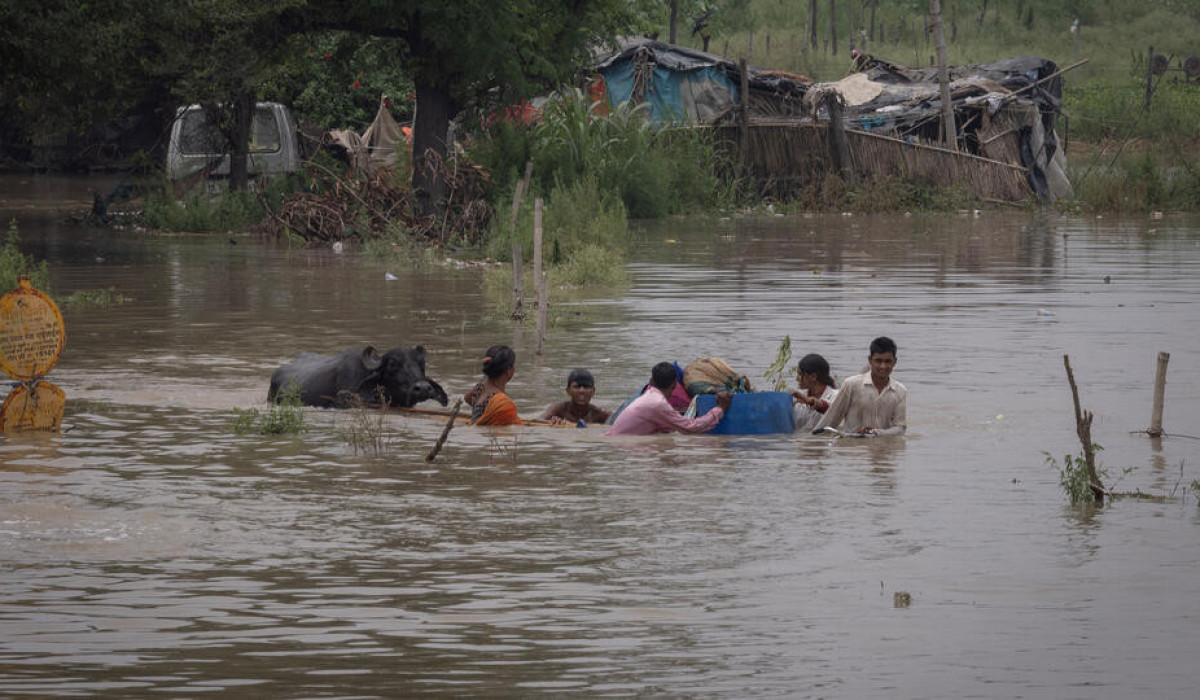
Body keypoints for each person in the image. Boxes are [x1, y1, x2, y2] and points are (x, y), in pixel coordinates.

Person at [606, 362, 732, 436]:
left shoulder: (648, 396)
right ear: (674, 386)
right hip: (620, 443)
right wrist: (719, 409)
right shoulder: (657, 403)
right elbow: (689, 428)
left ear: (650, 381)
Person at [813, 337, 906, 436]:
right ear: (870, 360)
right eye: (878, 361)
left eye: (888, 361)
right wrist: (814, 440)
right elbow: (831, 418)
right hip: (851, 447)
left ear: (895, 362)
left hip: (883, 449)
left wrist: (876, 432)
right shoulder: (851, 384)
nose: (883, 366)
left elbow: (900, 428)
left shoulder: (900, 391)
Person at [464, 345, 522, 426]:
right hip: (489, 437)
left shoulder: (479, 388)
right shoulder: (503, 403)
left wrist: (486, 415)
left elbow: (467, 398)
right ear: (509, 370)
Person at [540, 368, 611, 425]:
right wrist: (550, 422)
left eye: (586, 387)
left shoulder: (600, 414)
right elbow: (538, 421)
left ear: (593, 391)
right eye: (577, 387)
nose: (582, 391)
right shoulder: (558, 410)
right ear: (568, 391)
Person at [791, 353, 839, 433]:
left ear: (813, 377)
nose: (797, 378)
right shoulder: (797, 398)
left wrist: (808, 400)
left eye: (800, 374)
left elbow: (832, 410)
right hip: (800, 443)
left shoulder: (836, 396)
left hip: (824, 444)